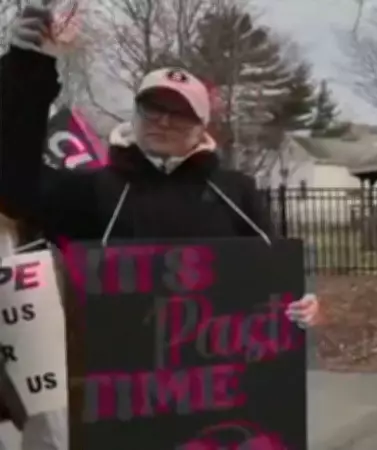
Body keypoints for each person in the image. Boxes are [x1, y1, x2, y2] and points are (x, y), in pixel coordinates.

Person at [1, 6, 320, 449]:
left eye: (179, 114)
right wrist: (26, 67)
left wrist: (299, 305)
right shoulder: (97, 190)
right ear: (134, 114)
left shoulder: (236, 192)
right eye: (152, 109)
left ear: (202, 126)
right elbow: (15, 185)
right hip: (120, 408)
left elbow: (268, 275)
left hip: (216, 410)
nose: (163, 122)